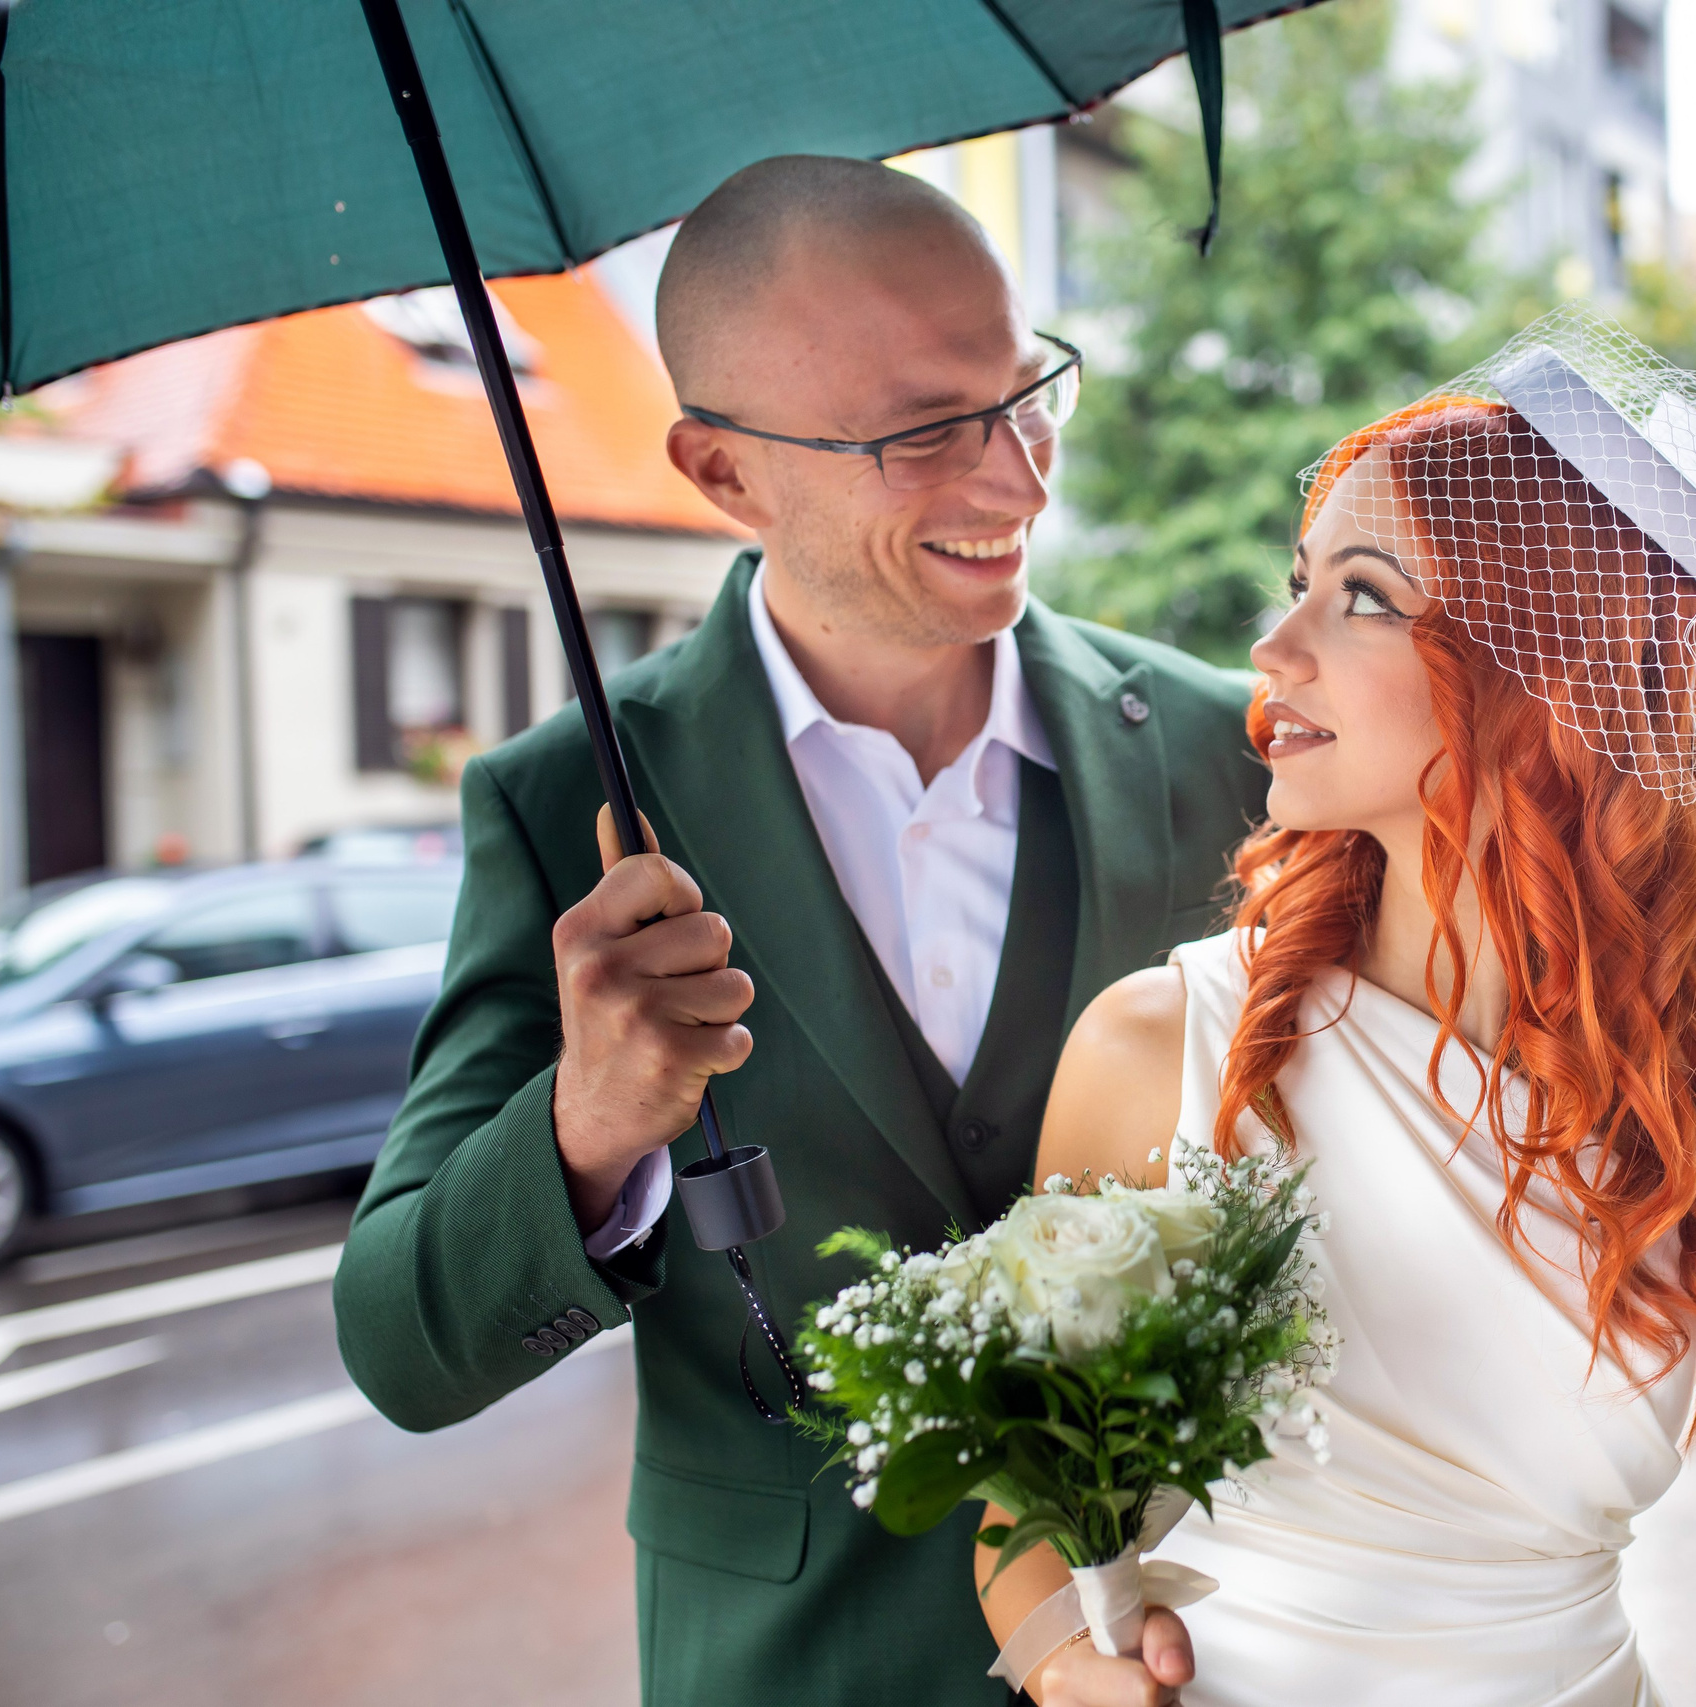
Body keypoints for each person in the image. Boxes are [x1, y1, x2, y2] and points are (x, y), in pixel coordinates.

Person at [331, 156, 1259, 1705]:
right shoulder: (565, 809)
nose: (1022, 481)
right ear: (724, 472)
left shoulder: (1227, 750)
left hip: (1199, 1646)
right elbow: (402, 1348)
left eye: (1026, 395)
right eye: (923, 432)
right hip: (795, 1666)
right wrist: (587, 1126)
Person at [974, 316, 1696, 1706]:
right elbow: (1022, 1492)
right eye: (1297, 584)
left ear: (1543, 666)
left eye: (1360, 595)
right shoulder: (1158, 1045)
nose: (1273, 645)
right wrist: (1064, 1662)